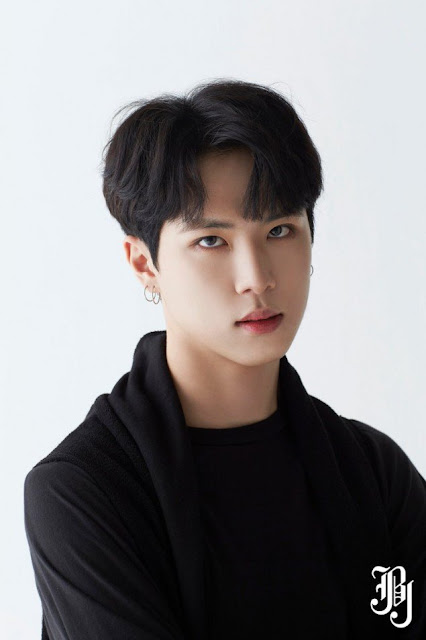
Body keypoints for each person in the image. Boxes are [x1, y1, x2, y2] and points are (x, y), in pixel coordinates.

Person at [24, 78, 426, 639]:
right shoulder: (84, 490)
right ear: (144, 264)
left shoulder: (374, 471)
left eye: (280, 230)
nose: (257, 278)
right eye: (212, 241)